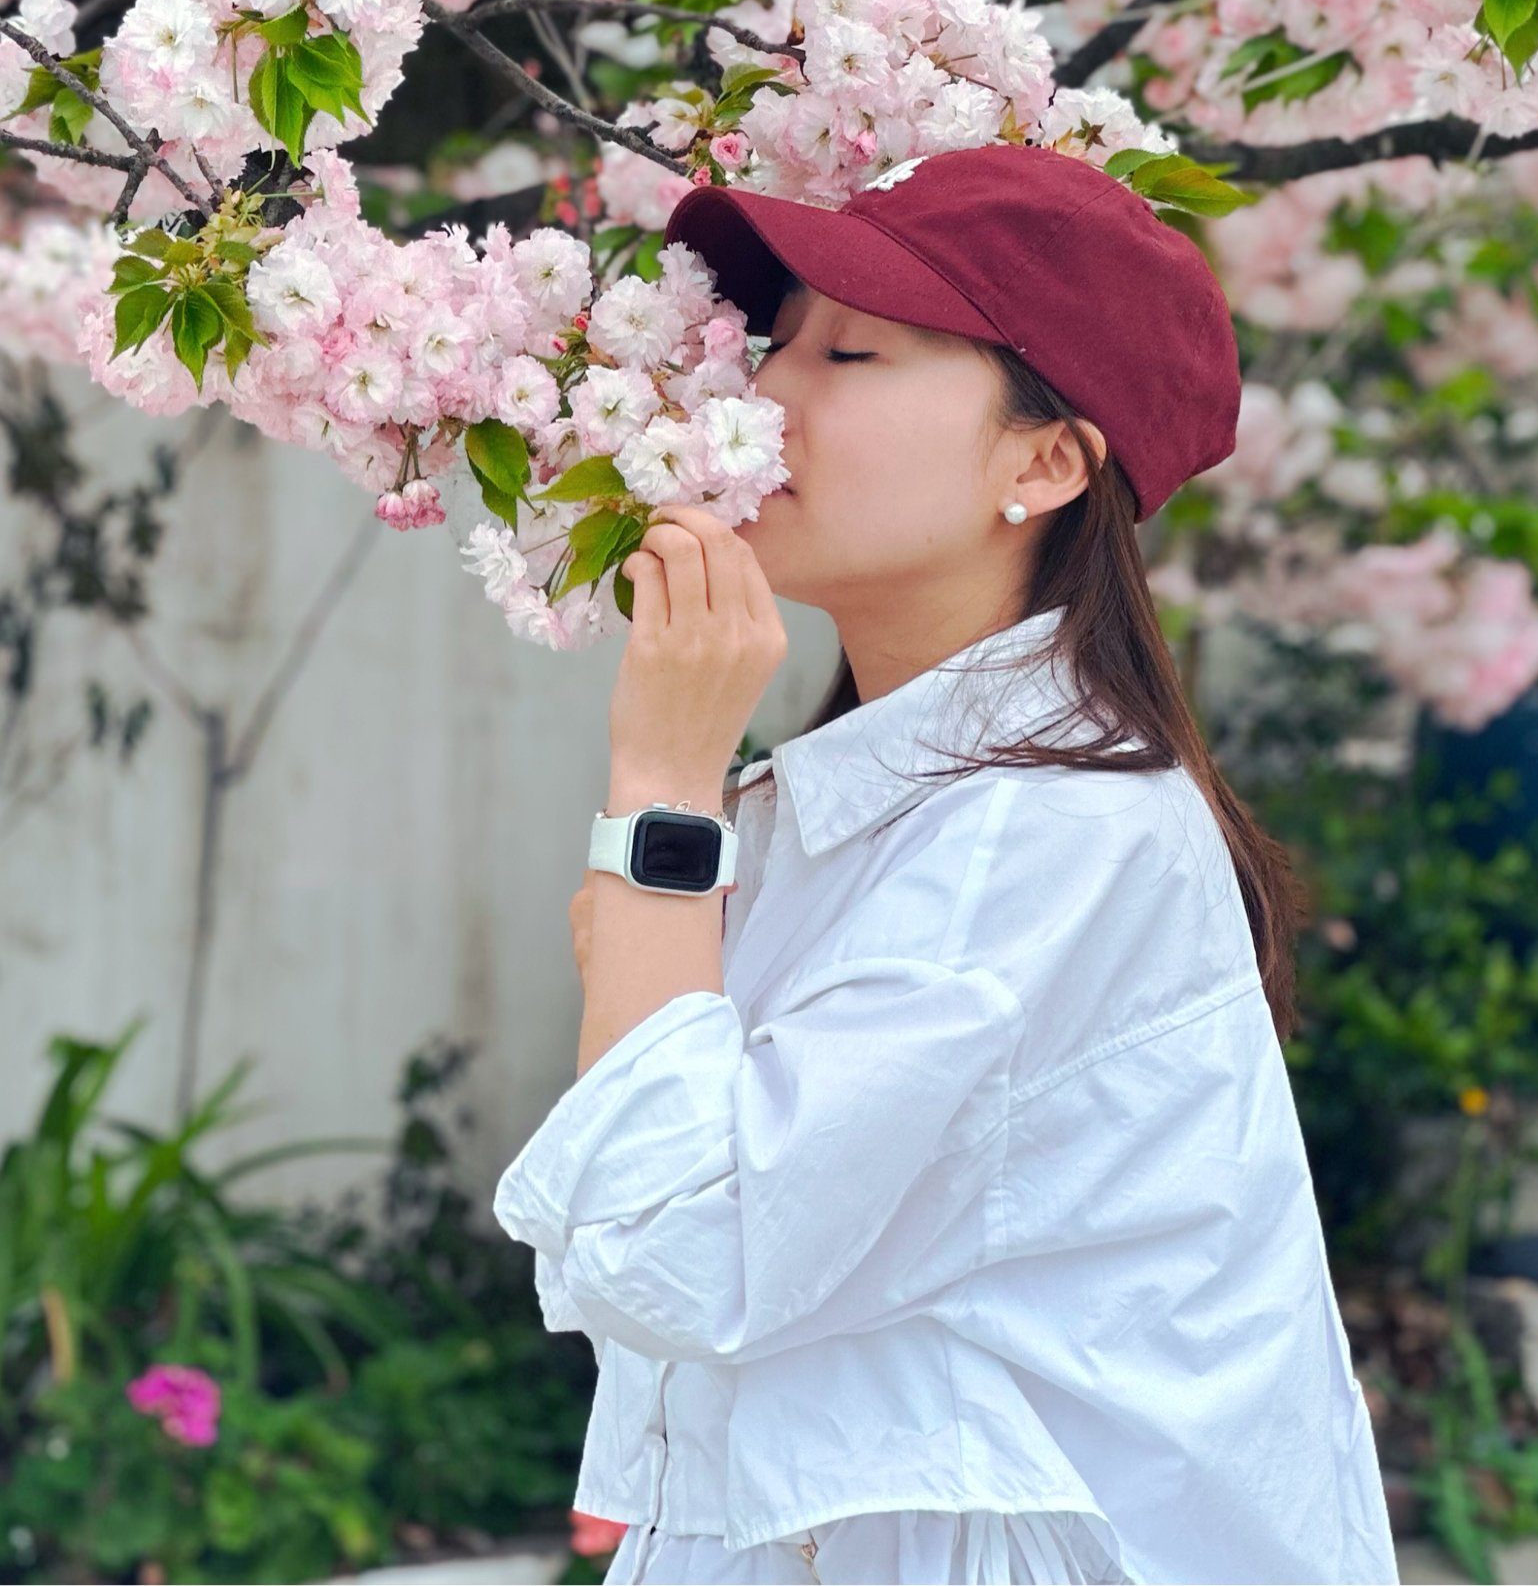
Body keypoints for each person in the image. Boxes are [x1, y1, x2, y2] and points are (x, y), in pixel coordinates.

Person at [492, 145, 1397, 1586]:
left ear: (1043, 463)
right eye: (776, 342)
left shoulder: (1040, 837)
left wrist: (662, 793)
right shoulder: (881, 801)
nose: (766, 397)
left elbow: (684, 1252)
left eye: (852, 352)